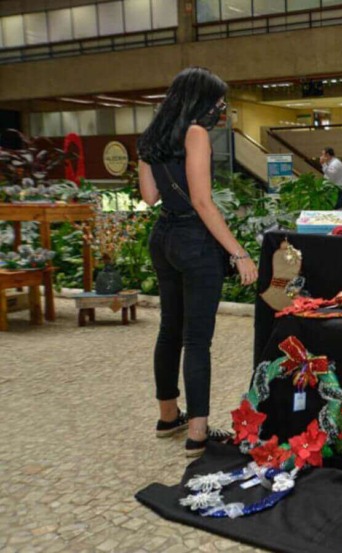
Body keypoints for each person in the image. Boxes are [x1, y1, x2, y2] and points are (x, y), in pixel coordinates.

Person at [137, 67, 259, 458]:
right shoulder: (196, 134)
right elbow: (204, 203)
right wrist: (238, 252)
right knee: (196, 340)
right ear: (199, 100)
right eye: (217, 102)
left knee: (169, 330)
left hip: (163, 238)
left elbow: (149, 196)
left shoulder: (152, 135)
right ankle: (197, 433)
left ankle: (167, 416)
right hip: (194, 241)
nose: (220, 109)